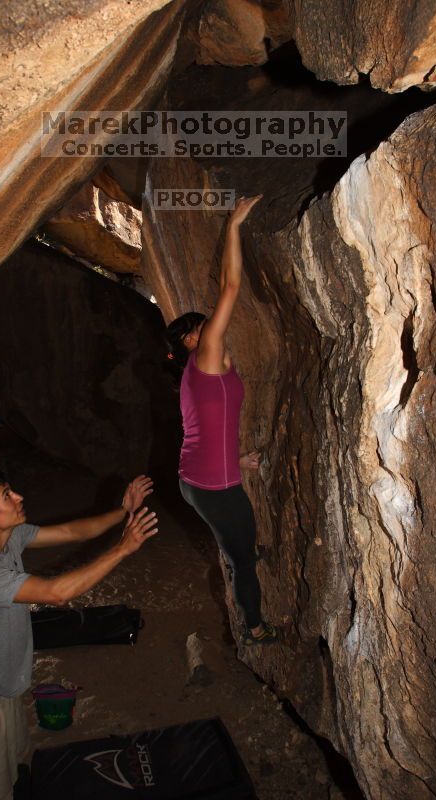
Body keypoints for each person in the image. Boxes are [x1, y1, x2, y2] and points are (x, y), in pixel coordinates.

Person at [0, 469, 157, 800]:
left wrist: (124, 510)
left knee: (11, 769)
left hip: (3, 681)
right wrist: (122, 549)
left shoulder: (7, 536)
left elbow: (73, 530)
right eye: (7, 495)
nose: (19, 497)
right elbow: (57, 593)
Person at [166, 195, 277, 647]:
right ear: (193, 339)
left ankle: (241, 552)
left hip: (201, 477)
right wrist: (233, 224)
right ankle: (255, 628)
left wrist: (239, 460)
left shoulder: (210, 371)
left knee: (240, 543)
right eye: (201, 325)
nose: (210, 326)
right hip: (212, 486)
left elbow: (209, 428)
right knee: (244, 561)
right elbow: (231, 287)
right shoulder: (205, 355)